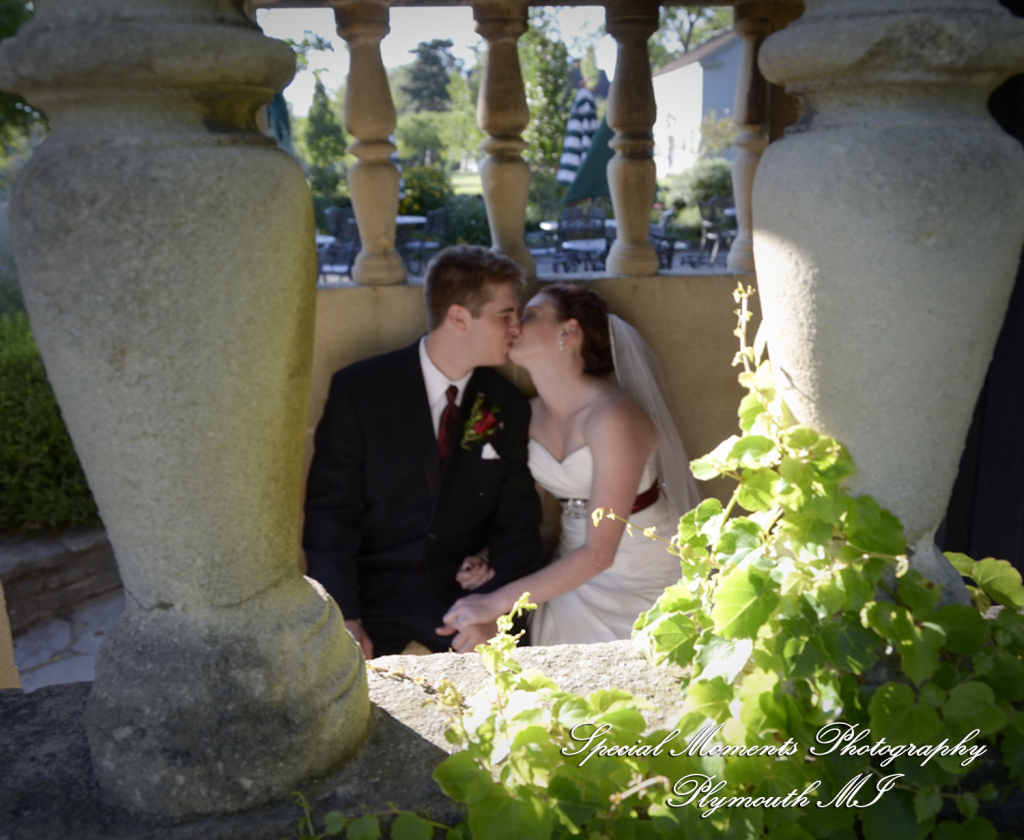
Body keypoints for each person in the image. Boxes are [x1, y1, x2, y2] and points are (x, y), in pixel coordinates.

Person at [303, 245, 545, 659]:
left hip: (462, 598)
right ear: (458, 318)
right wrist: (342, 615)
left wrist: (494, 608)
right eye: (505, 315)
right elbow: (330, 511)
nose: (516, 328)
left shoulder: (506, 405)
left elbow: (518, 524)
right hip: (371, 594)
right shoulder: (360, 391)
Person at [441, 284, 701, 645]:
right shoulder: (526, 415)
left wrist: (495, 602)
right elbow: (525, 511)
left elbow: (601, 552)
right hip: (571, 563)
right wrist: (488, 558)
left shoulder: (613, 417)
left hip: (636, 566)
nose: (515, 324)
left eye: (530, 315)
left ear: (569, 330)